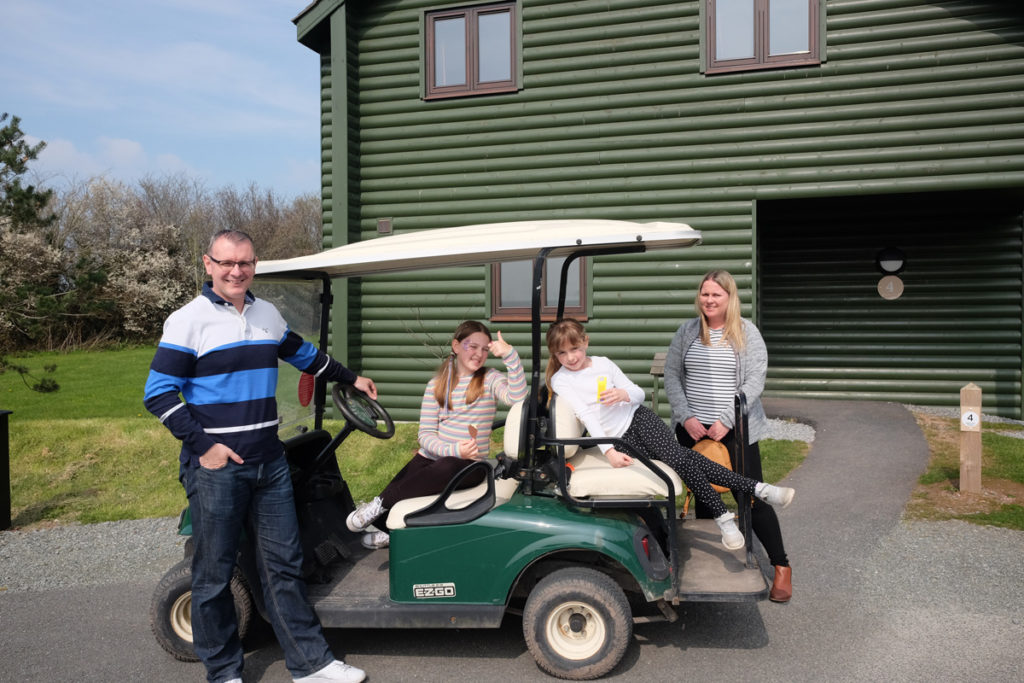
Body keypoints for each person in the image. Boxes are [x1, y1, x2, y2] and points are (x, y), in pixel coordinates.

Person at [144, 229, 372, 683]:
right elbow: (159, 394)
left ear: (254, 265)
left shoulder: (266, 313)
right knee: (214, 573)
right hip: (217, 469)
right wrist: (205, 446)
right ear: (208, 264)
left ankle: (310, 664)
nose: (236, 271)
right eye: (227, 263)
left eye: (245, 262)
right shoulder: (188, 321)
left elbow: (303, 355)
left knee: (284, 565)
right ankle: (223, 672)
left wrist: (350, 378)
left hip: (270, 462)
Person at [545, 318, 794, 552]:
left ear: (585, 342)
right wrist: (609, 451)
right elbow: (586, 415)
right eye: (562, 353)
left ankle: (723, 517)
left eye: (575, 349)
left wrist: (623, 394)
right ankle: (758, 488)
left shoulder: (603, 364)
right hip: (620, 441)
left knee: (678, 459)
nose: (570, 357)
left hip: (640, 419)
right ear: (555, 355)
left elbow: (638, 393)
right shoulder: (561, 380)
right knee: (685, 458)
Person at [664, 269, 793, 603]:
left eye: (716, 295)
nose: (709, 300)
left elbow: (754, 381)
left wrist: (726, 420)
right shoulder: (687, 331)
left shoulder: (746, 333)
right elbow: (672, 376)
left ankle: (781, 565)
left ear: (729, 297)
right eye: (705, 294)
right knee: (706, 495)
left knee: (749, 495)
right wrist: (686, 417)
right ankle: (715, 564)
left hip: (736, 429)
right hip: (693, 430)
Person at [345, 320, 527, 548]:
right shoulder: (436, 385)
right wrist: (453, 448)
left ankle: (378, 504)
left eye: (484, 349)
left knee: (447, 465)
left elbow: (517, 398)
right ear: (456, 346)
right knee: (406, 480)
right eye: (472, 346)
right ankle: (388, 527)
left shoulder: (489, 379)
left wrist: (510, 355)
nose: (479, 354)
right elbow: (426, 435)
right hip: (433, 457)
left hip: (469, 465)